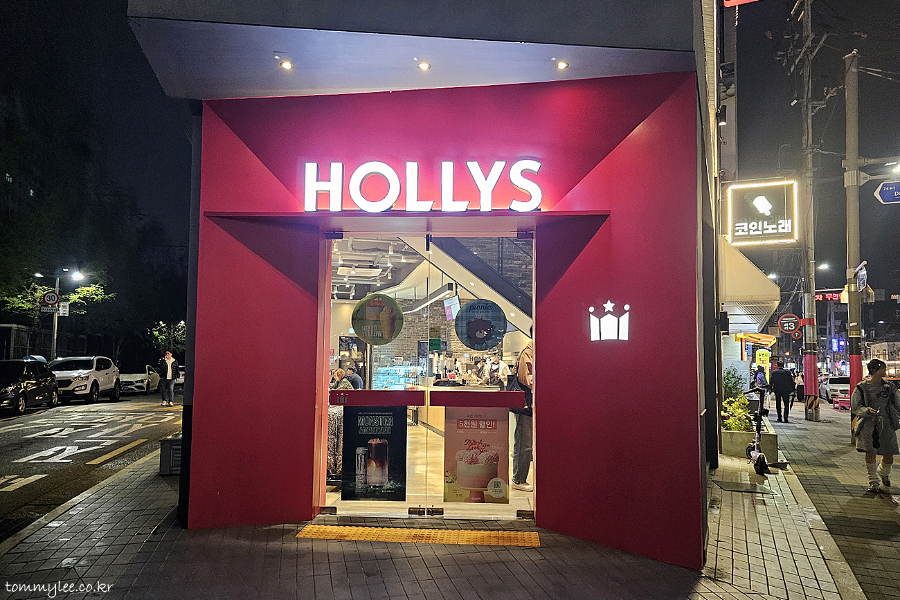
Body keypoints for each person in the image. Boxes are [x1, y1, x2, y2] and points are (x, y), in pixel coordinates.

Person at [851, 359, 900, 492]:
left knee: (889, 454)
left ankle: (883, 472)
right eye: (883, 368)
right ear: (874, 370)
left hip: (887, 423)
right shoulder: (862, 387)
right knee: (871, 451)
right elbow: (856, 406)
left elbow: (897, 403)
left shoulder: (889, 387)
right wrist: (867, 410)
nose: (885, 370)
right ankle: (873, 481)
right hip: (869, 424)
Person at [512, 337, 534, 492]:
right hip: (525, 405)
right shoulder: (528, 353)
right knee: (524, 444)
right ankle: (518, 479)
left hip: (530, 405)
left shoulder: (533, 353)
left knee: (526, 443)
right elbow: (528, 380)